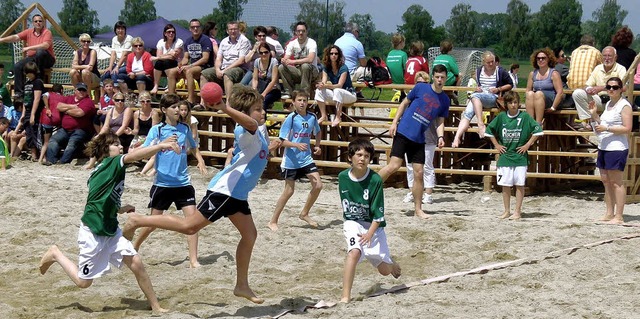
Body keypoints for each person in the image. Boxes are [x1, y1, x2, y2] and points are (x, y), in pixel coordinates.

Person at [122, 85, 269, 304]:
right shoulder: (246, 129)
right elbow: (249, 123)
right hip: (225, 192)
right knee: (189, 226)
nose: (263, 112)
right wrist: (225, 108)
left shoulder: (258, 131)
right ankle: (137, 219)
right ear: (245, 114)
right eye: (257, 109)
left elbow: (253, 140)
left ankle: (242, 285)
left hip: (238, 195)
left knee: (250, 235)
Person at [38, 132, 175, 315]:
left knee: (137, 263)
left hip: (111, 230)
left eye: (120, 144)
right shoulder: (111, 163)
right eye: (115, 144)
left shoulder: (106, 168)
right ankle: (55, 254)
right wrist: (160, 146)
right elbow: (134, 155)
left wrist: (120, 208)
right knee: (83, 283)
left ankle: (156, 306)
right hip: (93, 232)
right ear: (105, 149)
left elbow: (102, 199)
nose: (120, 147)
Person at [130, 93, 204, 268]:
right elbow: (146, 151)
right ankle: (134, 246)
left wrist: (200, 160)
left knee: (192, 224)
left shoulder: (184, 129)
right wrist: (162, 144)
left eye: (178, 106)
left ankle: (193, 260)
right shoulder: (157, 130)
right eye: (173, 107)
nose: (178, 110)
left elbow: (194, 148)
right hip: (162, 184)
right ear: (164, 110)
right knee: (152, 224)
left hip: (183, 183)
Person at [377, 65, 450, 219]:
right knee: (394, 166)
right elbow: (404, 103)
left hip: (419, 138)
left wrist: (441, 137)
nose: (439, 80)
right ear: (433, 77)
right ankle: (369, 187)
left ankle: (418, 209)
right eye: (437, 77)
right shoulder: (421, 88)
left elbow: (440, 121)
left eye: (442, 77)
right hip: (404, 131)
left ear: (446, 78)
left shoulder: (444, 99)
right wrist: (394, 122)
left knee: (419, 173)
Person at [339, 138, 401, 303]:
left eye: (366, 156)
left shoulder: (375, 180)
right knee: (354, 252)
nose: (362, 159)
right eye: (358, 155)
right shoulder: (342, 177)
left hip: (374, 226)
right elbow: (348, 209)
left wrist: (369, 234)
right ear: (350, 157)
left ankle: (392, 264)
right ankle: (345, 296)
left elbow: (378, 215)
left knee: (384, 271)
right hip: (352, 222)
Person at [268, 90, 322, 231]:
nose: (302, 103)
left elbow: (318, 131)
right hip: (291, 160)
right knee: (289, 191)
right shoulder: (291, 118)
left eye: (304, 100)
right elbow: (281, 141)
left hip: (306, 158)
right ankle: (273, 221)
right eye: (299, 100)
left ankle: (304, 213)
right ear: (293, 102)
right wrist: (296, 144)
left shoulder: (312, 117)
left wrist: (317, 145)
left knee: (318, 185)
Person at [485, 91, 543, 220]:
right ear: (506, 104)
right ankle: (506, 211)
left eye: (515, 102)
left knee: (519, 184)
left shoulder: (525, 117)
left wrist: (528, 145)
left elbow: (538, 131)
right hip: (505, 156)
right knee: (505, 185)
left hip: (520, 157)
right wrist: (497, 145)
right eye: (510, 102)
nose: (513, 105)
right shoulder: (501, 117)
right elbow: (489, 131)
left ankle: (517, 211)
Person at [588, 77, 632, 224]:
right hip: (604, 145)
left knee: (616, 182)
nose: (611, 89)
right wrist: (594, 115)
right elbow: (602, 124)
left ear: (621, 89)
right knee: (606, 181)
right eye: (609, 87)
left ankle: (619, 216)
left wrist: (607, 128)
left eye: (615, 87)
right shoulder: (608, 104)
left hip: (617, 148)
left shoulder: (624, 105)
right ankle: (609, 213)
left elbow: (627, 128)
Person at [452, 51, 513, 147]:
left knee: (474, 96)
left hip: (493, 97)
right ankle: (457, 137)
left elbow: (510, 84)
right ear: (483, 62)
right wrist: (478, 88)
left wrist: (498, 89)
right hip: (479, 97)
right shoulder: (479, 70)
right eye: (488, 62)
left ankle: (480, 124)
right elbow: (480, 85)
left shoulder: (500, 71)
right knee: (467, 113)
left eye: (492, 61)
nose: (491, 64)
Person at [402, 72, 444, 205]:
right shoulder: (412, 96)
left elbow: (439, 120)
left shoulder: (435, 98)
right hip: (411, 135)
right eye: (418, 82)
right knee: (410, 166)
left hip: (428, 136)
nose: (420, 85)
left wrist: (440, 136)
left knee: (427, 166)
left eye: (423, 82)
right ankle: (412, 191)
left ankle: (428, 193)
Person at [0, 14, 55, 97]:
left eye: (40, 21)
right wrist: (2, 39)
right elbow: (15, 37)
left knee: (40, 52)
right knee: (18, 66)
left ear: (43, 23)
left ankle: (38, 79)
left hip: (47, 59)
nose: (38, 23)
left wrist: (28, 48)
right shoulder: (29, 32)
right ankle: (19, 93)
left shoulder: (47, 32)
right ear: (33, 23)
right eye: (36, 21)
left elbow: (45, 46)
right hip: (33, 58)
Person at [199, 21, 251, 108]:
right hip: (223, 67)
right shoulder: (224, 41)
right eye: (231, 29)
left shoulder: (244, 41)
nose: (233, 31)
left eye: (235, 29)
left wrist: (224, 70)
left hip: (239, 69)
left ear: (238, 30)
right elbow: (219, 58)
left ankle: (228, 104)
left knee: (228, 74)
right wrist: (217, 69)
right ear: (227, 31)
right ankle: (204, 103)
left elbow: (241, 60)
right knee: (204, 74)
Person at [571, 46, 626, 127]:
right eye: (604, 56)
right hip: (599, 100)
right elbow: (587, 85)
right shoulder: (598, 68)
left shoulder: (621, 69)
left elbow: (624, 87)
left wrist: (601, 88)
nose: (607, 58)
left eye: (609, 56)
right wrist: (589, 89)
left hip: (614, 101)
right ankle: (587, 122)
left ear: (615, 57)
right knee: (577, 93)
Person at [45, 83, 96, 165]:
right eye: (79, 90)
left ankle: (63, 162)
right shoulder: (69, 98)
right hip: (65, 129)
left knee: (72, 143)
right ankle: (51, 160)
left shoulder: (88, 102)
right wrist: (73, 106)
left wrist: (66, 110)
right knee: (53, 140)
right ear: (75, 90)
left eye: (84, 90)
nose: (81, 92)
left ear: (87, 92)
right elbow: (58, 106)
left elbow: (79, 113)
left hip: (80, 130)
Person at [315, 45, 357, 127]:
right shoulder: (326, 68)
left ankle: (338, 117)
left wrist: (325, 86)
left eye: (336, 53)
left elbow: (340, 85)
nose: (334, 55)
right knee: (319, 91)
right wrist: (321, 85)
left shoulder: (343, 67)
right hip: (338, 96)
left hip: (349, 94)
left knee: (337, 90)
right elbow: (324, 81)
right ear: (328, 55)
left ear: (339, 55)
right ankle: (323, 115)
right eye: (331, 53)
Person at [279, 21, 320, 98]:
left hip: (312, 72)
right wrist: (284, 60)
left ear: (307, 32)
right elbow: (286, 57)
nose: (301, 33)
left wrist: (293, 61)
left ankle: (304, 93)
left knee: (305, 66)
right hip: (298, 71)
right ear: (295, 32)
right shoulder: (292, 43)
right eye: (299, 31)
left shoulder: (311, 42)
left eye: (303, 31)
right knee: (281, 67)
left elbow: (310, 59)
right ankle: (289, 92)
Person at [525, 48, 564, 124]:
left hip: (550, 100)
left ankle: (538, 123)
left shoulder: (554, 73)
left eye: (543, 58)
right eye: (538, 58)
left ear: (548, 59)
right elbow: (528, 90)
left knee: (538, 93)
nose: (540, 60)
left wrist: (553, 107)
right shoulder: (532, 74)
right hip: (536, 99)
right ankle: (531, 122)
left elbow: (560, 92)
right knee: (529, 94)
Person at [179, 19, 213, 104]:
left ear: (200, 28)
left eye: (197, 27)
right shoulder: (188, 41)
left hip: (204, 66)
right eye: (193, 27)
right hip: (193, 66)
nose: (195, 29)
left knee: (189, 71)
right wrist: (181, 64)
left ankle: (190, 99)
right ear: (190, 29)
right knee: (171, 71)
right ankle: (171, 99)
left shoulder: (205, 40)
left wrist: (190, 66)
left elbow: (205, 59)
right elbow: (186, 57)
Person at [19, 61, 44, 161]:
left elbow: (37, 99)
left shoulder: (38, 82)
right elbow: (26, 99)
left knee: (34, 132)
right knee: (28, 132)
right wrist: (23, 114)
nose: (29, 75)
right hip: (27, 109)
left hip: (35, 111)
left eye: (31, 72)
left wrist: (33, 114)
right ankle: (33, 154)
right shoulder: (27, 83)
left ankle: (37, 155)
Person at [150, 24, 183, 95]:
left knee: (166, 62)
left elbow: (173, 56)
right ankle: (156, 85)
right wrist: (166, 55)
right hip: (163, 66)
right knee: (159, 63)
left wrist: (158, 57)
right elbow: (159, 55)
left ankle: (170, 85)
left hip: (176, 65)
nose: (171, 33)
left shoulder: (179, 42)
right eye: (169, 32)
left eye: (173, 32)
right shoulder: (161, 42)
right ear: (165, 33)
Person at [101, 21, 132, 93]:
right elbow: (113, 53)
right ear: (115, 30)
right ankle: (102, 97)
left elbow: (125, 55)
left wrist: (117, 67)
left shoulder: (129, 38)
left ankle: (116, 94)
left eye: (122, 29)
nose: (120, 31)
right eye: (118, 29)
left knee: (114, 73)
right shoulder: (114, 39)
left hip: (126, 64)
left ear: (125, 30)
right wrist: (110, 66)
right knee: (106, 74)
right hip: (117, 64)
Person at [251, 42, 281, 111]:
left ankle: (262, 120)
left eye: (266, 52)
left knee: (263, 102)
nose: (263, 54)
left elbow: (273, 81)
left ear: (269, 52)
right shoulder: (257, 61)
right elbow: (255, 79)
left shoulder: (274, 62)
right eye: (261, 53)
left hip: (273, 89)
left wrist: (263, 94)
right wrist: (254, 90)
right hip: (260, 88)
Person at [38, 84, 64, 164]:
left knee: (46, 141)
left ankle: (41, 158)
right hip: (58, 120)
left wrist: (47, 108)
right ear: (61, 90)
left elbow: (44, 96)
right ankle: (49, 158)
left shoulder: (49, 94)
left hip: (47, 120)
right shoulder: (63, 98)